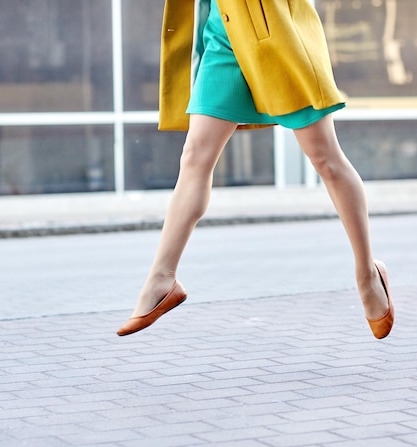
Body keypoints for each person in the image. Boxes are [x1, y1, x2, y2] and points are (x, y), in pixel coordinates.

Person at [117, 0, 394, 339]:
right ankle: (161, 278)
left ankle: (367, 275)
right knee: (194, 157)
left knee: (325, 158)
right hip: (223, 30)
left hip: (274, 24)